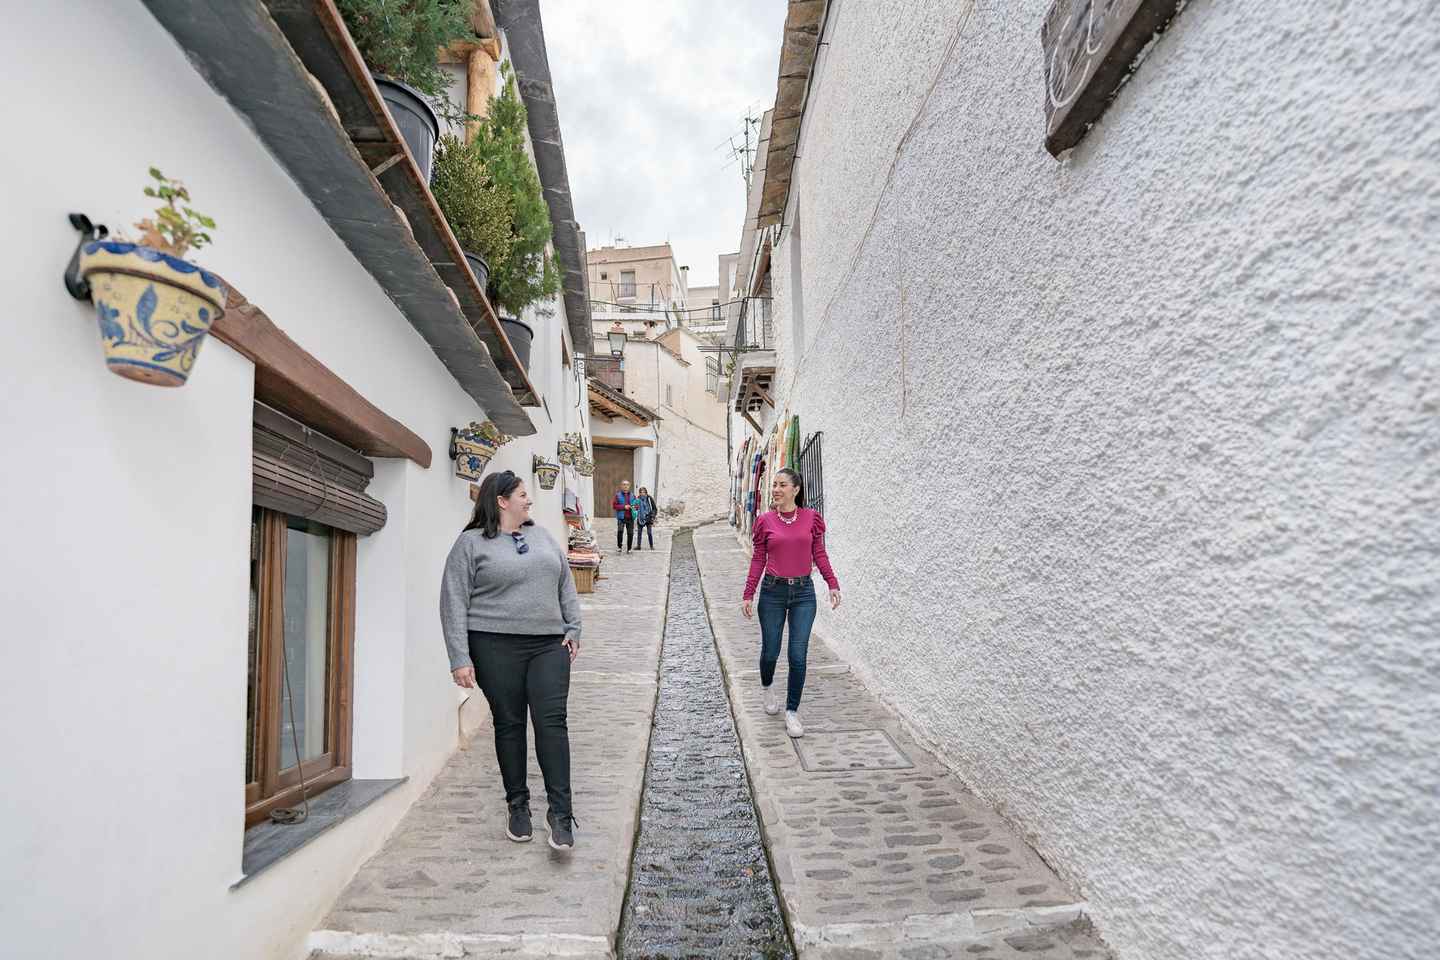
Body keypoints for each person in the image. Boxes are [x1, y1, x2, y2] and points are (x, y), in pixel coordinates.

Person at [441, 470, 582, 850]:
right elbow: (453, 601)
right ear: (502, 501)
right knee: (510, 723)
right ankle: (518, 807)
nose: (529, 500)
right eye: (522, 494)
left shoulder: (542, 535)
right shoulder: (470, 544)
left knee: (552, 722)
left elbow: (564, 582)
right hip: (493, 645)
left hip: (548, 645)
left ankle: (561, 814)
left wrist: (574, 628)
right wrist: (460, 657)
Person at [740, 467, 841, 739]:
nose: (775, 489)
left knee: (798, 655)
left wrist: (832, 583)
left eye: (782, 484)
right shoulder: (765, 521)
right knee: (771, 652)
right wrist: (749, 593)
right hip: (772, 592)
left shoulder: (811, 519)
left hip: (804, 594)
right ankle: (767, 687)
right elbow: (758, 559)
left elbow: (819, 553)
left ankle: (792, 711)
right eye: (773, 484)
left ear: (795, 490)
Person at [612, 479, 636, 553]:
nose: (625, 486)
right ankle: (619, 547)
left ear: (629, 486)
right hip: (621, 517)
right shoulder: (618, 495)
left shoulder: (632, 495)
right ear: (621, 486)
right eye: (624, 485)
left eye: (627, 485)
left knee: (630, 533)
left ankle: (629, 548)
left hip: (630, 517)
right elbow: (614, 506)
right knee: (620, 532)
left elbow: (636, 505)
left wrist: (633, 507)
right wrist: (623, 507)